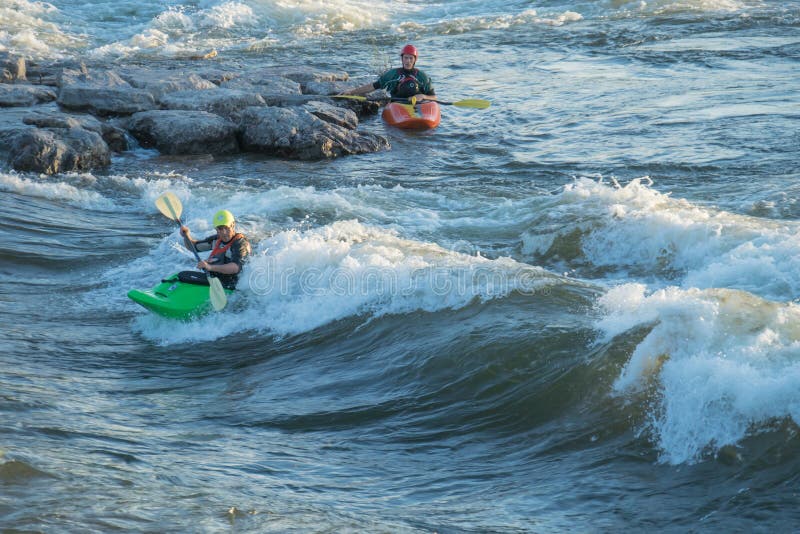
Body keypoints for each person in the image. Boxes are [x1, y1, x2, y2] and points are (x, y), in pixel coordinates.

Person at [180, 209, 250, 290]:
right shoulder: (216, 240)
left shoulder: (240, 243)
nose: (224, 232)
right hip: (215, 279)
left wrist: (210, 267)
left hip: (232, 284)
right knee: (183, 275)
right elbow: (193, 247)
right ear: (216, 229)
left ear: (233, 225)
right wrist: (186, 236)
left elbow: (236, 267)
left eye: (226, 227)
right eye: (220, 228)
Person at [342, 44, 436, 102]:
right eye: (406, 58)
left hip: (418, 103)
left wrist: (423, 96)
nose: (408, 61)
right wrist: (351, 92)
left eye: (411, 58)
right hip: (398, 103)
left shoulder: (422, 76)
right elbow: (373, 86)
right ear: (402, 59)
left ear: (415, 60)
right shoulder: (393, 74)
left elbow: (434, 97)